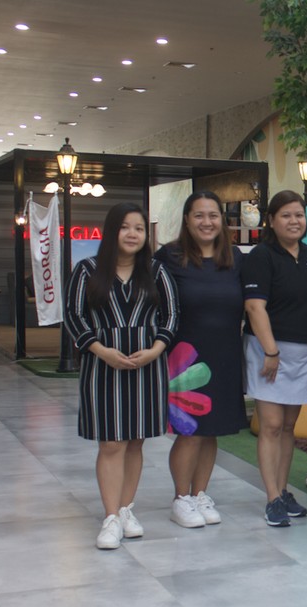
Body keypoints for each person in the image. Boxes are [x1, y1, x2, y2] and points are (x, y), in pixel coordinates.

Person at [65, 202, 179, 550]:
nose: (133, 234)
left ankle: (127, 509)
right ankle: (111, 516)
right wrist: (101, 350)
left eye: (140, 228)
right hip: (103, 367)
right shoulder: (87, 271)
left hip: (147, 367)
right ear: (112, 231)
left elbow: (172, 316)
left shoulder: (157, 272)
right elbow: (73, 317)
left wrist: (156, 350)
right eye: (125, 227)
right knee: (111, 442)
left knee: (135, 440)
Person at [154, 191, 245, 529]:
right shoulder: (168, 256)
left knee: (212, 430)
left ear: (222, 221)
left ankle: (200, 493)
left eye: (213, 216)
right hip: (185, 358)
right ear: (187, 220)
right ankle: (181, 497)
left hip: (225, 354)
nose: (207, 222)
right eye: (199, 216)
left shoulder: (234, 257)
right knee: (189, 430)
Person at [241, 190, 307, 527]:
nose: (294, 221)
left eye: (299, 215)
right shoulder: (261, 256)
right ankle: (272, 497)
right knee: (272, 425)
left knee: (290, 426)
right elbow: (254, 306)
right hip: (268, 351)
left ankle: (283, 490)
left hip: (305, 351)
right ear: (272, 221)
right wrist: (271, 351)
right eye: (286, 215)